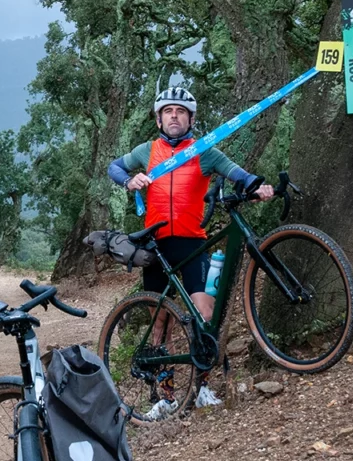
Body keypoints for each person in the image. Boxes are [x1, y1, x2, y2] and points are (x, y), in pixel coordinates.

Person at [108, 86, 273, 417]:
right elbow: (114, 167)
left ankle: (202, 389)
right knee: (160, 323)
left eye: (181, 112)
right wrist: (129, 181)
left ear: (191, 119)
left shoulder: (203, 151)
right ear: (158, 118)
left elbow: (237, 174)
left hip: (191, 241)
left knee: (204, 315)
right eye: (168, 111)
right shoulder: (146, 150)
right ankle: (165, 398)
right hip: (155, 243)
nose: (174, 116)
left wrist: (258, 185)